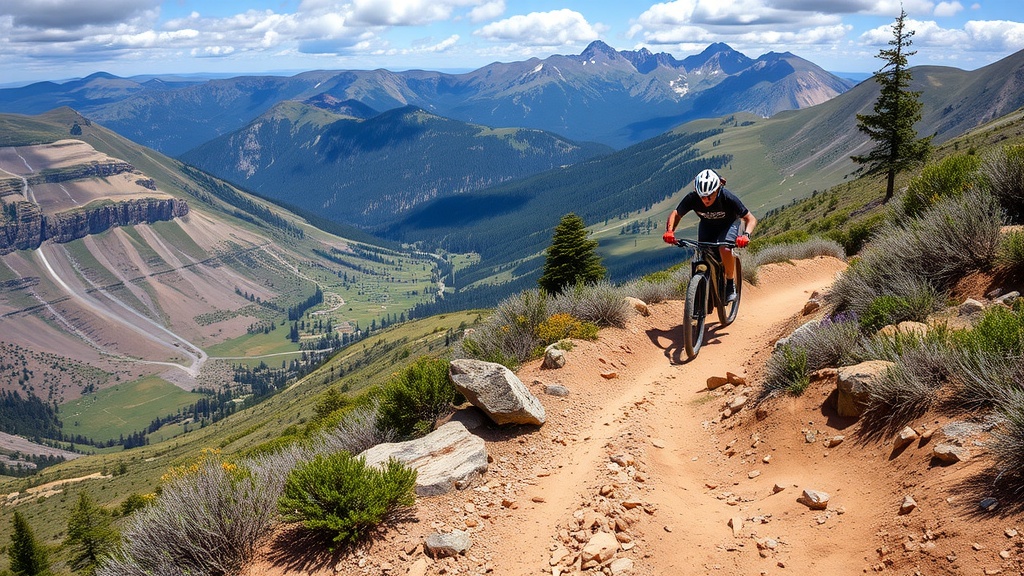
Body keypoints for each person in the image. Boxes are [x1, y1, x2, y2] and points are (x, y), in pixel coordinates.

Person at [662, 168, 757, 302]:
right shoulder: (692, 198)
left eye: (709, 196)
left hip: (729, 225)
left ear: (717, 190)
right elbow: (676, 214)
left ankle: (730, 283)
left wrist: (746, 235)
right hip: (708, 225)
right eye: (702, 196)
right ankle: (704, 289)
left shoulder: (727, 197)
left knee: (724, 248)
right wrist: (670, 231)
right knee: (703, 253)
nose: (705, 200)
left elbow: (750, 219)